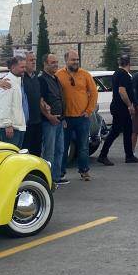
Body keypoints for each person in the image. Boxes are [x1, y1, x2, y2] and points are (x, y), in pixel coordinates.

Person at [56, 50, 98, 182]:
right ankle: (61, 173)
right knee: (63, 147)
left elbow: (93, 93)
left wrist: (89, 111)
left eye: (77, 59)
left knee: (83, 146)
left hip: (82, 118)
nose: (75, 62)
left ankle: (84, 171)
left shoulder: (85, 75)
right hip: (65, 118)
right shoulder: (58, 75)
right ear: (66, 61)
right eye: (73, 59)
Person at [98, 54, 138, 165]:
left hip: (118, 107)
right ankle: (103, 155)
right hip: (121, 108)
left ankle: (129, 156)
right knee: (115, 131)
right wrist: (129, 105)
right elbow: (122, 91)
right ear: (129, 64)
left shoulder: (116, 74)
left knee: (128, 131)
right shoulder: (123, 75)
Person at [39, 54, 68, 186]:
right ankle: (48, 179)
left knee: (60, 150)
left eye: (57, 62)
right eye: (52, 62)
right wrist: (50, 117)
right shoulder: (42, 80)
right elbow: (41, 102)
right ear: (45, 64)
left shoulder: (55, 78)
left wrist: (63, 118)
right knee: (49, 152)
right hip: (49, 123)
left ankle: (56, 178)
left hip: (59, 121)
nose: (55, 65)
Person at [0, 55, 27, 148]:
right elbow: (4, 105)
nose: (24, 69)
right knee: (11, 156)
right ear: (13, 67)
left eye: (25, 67)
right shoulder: (7, 82)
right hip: (10, 128)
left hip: (18, 126)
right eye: (22, 67)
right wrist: (8, 125)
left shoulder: (17, 81)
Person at [22, 53, 44, 156]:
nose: (34, 62)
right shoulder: (20, 78)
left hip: (37, 121)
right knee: (26, 152)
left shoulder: (36, 78)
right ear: (24, 62)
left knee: (37, 152)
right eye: (31, 60)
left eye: (34, 59)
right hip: (26, 123)